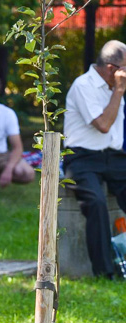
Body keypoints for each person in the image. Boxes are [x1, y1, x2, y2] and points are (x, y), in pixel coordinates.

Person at [63, 40, 126, 278]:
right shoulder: (83, 85)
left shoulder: (115, 87)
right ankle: (104, 272)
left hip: (113, 156)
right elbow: (102, 125)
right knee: (96, 203)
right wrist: (119, 91)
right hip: (82, 158)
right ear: (112, 69)